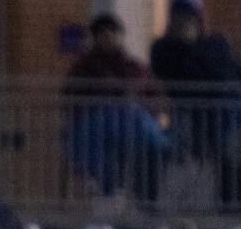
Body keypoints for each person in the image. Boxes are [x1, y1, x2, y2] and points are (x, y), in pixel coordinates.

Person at [63, 12, 165, 197]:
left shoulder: (133, 66)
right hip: (95, 121)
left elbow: (153, 92)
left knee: (143, 139)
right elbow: (72, 95)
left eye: (112, 32)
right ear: (96, 37)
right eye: (103, 33)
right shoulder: (84, 67)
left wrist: (151, 111)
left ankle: (159, 149)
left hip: (128, 122)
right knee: (90, 148)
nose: (108, 37)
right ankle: (111, 187)